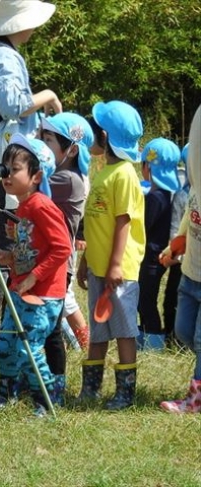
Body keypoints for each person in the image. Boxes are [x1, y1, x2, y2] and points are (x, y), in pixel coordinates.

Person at [0, 0, 63, 353]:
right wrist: (48, 96)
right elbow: (11, 105)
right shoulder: (5, 58)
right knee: (5, 248)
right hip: (6, 168)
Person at [0, 133, 71, 415]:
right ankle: (7, 395)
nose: (7, 175)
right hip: (20, 289)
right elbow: (34, 249)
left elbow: (62, 248)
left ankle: (47, 400)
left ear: (36, 176)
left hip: (43, 293)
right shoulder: (23, 207)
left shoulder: (41, 205)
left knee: (29, 349)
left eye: (14, 169)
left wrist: (33, 277)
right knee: (5, 347)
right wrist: (12, 258)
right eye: (5, 169)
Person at [76, 100, 146, 410]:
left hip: (120, 271)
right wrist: (86, 261)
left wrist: (116, 264)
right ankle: (90, 390)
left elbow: (123, 221)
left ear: (104, 135)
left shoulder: (125, 175)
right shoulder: (104, 171)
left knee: (124, 331)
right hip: (99, 268)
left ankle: (125, 394)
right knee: (99, 329)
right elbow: (95, 225)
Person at [39, 112, 94, 403]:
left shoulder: (65, 179)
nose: (41, 145)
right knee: (56, 314)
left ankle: (54, 384)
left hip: (58, 262)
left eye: (48, 140)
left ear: (71, 150)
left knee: (51, 323)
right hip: (50, 260)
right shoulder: (62, 174)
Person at [159, 103, 201, 413]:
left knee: (200, 339)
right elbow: (190, 212)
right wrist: (177, 243)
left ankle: (195, 400)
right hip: (191, 271)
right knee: (183, 330)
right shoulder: (196, 187)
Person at [137, 137, 181, 350]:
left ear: (148, 167)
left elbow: (143, 226)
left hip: (152, 259)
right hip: (156, 258)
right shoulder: (164, 194)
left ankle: (154, 343)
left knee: (145, 301)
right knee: (145, 299)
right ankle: (147, 336)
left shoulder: (155, 198)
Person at [162, 143, 190, 346]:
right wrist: (174, 254)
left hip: (186, 261)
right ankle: (173, 339)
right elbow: (175, 230)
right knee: (172, 300)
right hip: (181, 260)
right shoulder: (182, 195)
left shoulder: (183, 195)